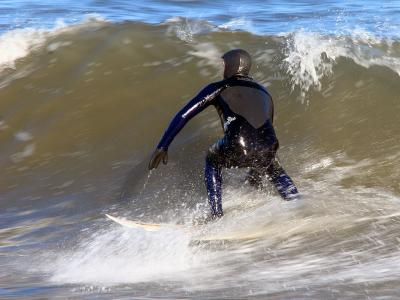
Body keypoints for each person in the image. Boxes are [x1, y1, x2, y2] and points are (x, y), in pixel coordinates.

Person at [148, 49, 299, 218]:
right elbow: (263, 133)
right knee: (271, 161)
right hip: (269, 146)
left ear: (231, 66)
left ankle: (217, 215)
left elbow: (184, 115)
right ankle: (296, 201)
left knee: (212, 158)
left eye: (224, 64)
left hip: (238, 145)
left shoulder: (219, 87)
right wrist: (256, 170)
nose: (222, 68)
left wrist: (163, 145)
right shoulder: (265, 92)